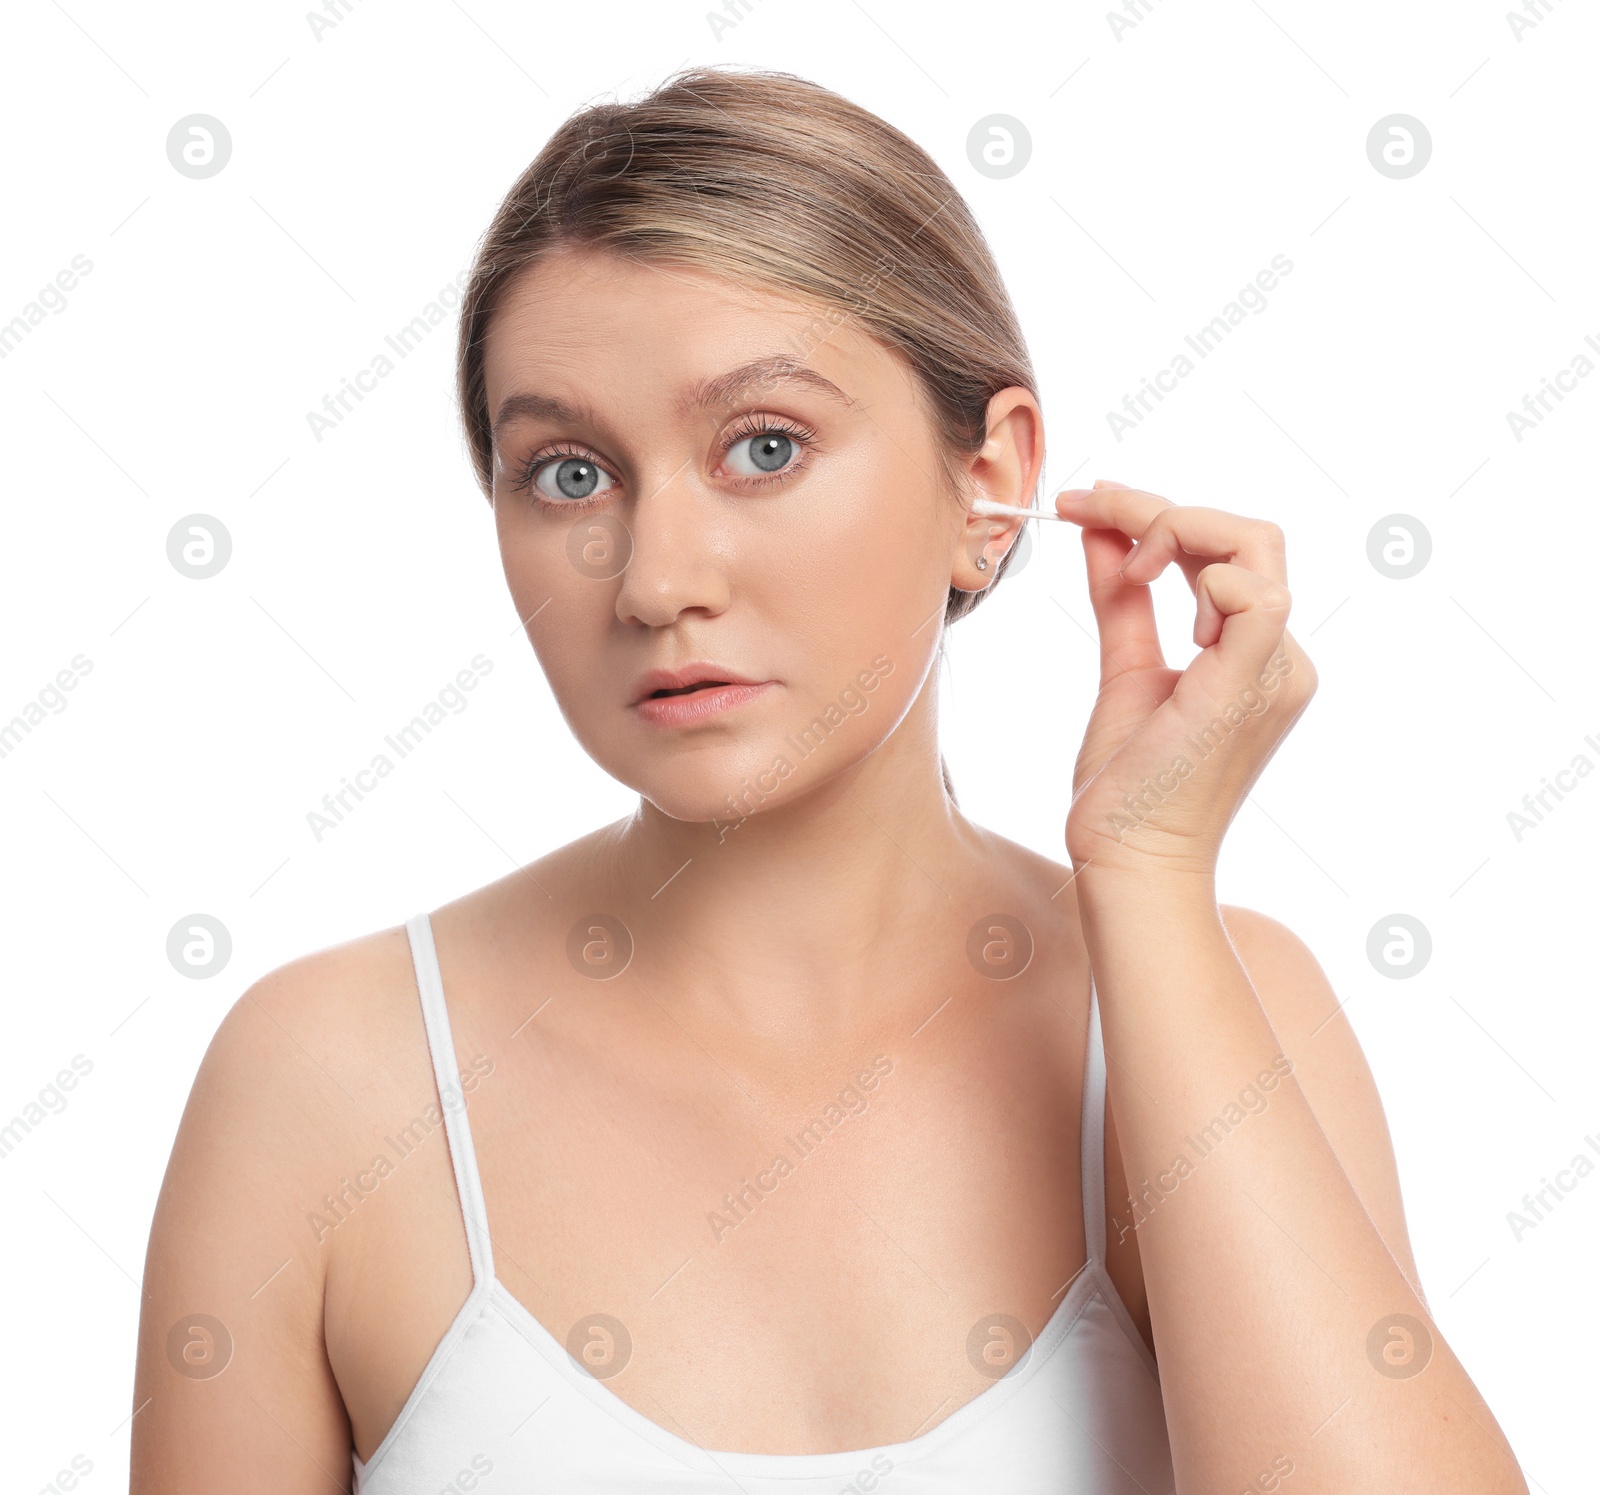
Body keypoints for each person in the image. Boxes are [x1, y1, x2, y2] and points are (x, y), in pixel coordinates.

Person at [131, 65, 1528, 1495]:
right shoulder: (326, 1084)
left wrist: (1152, 882)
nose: (658, 580)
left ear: (992, 482)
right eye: (566, 475)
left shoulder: (1215, 1009)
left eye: (765, 446)